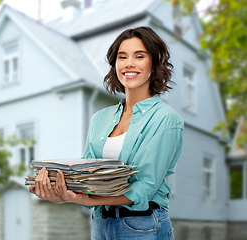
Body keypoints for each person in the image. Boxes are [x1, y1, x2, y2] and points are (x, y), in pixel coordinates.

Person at [29, 26, 184, 240]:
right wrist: (62, 195)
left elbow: (145, 187)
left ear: (154, 62)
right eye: (122, 57)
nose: (129, 63)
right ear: (115, 64)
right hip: (100, 222)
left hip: (142, 225)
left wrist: (87, 201)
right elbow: (87, 177)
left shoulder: (166, 119)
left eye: (139, 56)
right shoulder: (100, 119)